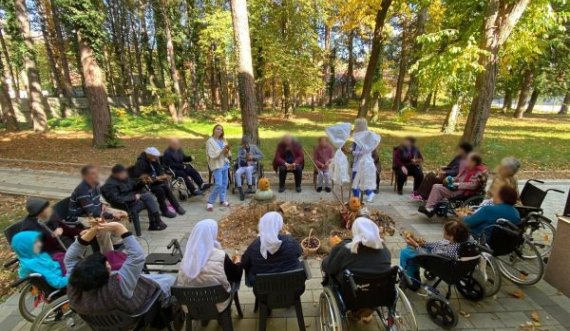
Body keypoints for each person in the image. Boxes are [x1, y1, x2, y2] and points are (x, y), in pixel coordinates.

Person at [65, 222, 176, 317]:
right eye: (107, 266)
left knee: (146, 277)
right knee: (170, 279)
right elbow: (137, 257)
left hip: (105, 319)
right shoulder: (118, 285)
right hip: (137, 311)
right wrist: (120, 229)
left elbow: (70, 258)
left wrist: (93, 230)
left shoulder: (73, 283)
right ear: (106, 274)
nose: (109, 265)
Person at [321, 217, 391, 322]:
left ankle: (352, 310)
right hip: (378, 294)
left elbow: (330, 269)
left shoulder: (346, 250)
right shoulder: (385, 250)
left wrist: (325, 262)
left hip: (352, 296)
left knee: (331, 272)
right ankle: (367, 309)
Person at [176, 219, 242, 312]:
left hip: (191, 305)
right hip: (218, 304)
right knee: (233, 276)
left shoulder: (187, 257)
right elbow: (236, 275)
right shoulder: (220, 256)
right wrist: (238, 262)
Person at [399, 220, 471, 289]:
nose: (443, 232)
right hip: (436, 256)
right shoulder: (457, 241)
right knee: (410, 248)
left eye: (445, 232)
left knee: (405, 253)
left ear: (451, 236)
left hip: (433, 260)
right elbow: (437, 244)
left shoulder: (448, 251)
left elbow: (427, 257)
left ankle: (411, 277)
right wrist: (423, 244)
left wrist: (416, 246)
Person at [241, 212, 303, 286]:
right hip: (292, 288)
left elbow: (244, 263)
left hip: (264, 291)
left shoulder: (255, 246)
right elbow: (299, 252)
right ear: (279, 226)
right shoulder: (290, 241)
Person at [101, 164, 166, 234]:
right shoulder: (109, 185)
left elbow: (133, 187)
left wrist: (142, 183)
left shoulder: (122, 179)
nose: (125, 175)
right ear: (116, 174)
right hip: (125, 206)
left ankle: (155, 222)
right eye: (123, 173)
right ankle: (156, 221)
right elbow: (116, 199)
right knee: (148, 197)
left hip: (131, 201)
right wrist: (133, 197)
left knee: (149, 198)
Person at [418, 152, 487, 218]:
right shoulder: (467, 168)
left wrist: (458, 184)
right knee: (438, 186)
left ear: (474, 162)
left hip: (464, 191)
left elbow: (473, 185)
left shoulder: (478, 172)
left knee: (437, 188)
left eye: (468, 160)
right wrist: (451, 179)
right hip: (457, 187)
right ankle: (431, 207)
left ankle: (430, 208)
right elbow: (458, 177)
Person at [133, 147, 186, 218]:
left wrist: (162, 175)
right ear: (148, 155)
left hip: (156, 181)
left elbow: (159, 169)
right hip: (146, 185)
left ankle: (177, 206)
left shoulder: (153, 160)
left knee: (165, 187)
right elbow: (141, 177)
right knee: (160, 190)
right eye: (154, 157)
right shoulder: (140, 163)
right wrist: (156, 178)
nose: (155, 158)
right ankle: (164, 210)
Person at [350, 119, 381, 202]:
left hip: (364, 162)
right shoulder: (358, 136)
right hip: (358, 162)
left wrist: (353, 152)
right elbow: (355, 147)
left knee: (358, 179)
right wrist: (351, 149)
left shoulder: (367, 137)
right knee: (358, 179)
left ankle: (367, 194)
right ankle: (359, 195)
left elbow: (365, 151)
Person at [206, 124, 231, 211]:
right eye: (218, 129)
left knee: (224, 183)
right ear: (214, 130)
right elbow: (212, 155)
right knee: (218, 184)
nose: (219, 131)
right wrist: (222, 151)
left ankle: (222, 200)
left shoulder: (223, 140)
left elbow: (228, 154)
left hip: (225, 164)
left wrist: (227, 152)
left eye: (221, 130)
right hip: (216, 165)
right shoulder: (210, 141)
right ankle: (210, 202)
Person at [235, 136, 264, 200]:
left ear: (248, 143)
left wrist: (253, 157)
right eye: (243, 144)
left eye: (246, 144)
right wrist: (243, 159)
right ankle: (240, 192)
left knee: (248, 169)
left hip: (251, 166)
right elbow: (238, 158)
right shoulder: (240, 149)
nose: (245, 146)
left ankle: (250, 187)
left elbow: (261, 155)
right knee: (237, 173)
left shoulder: (254, 147)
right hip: (243, 166)